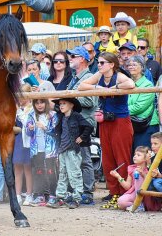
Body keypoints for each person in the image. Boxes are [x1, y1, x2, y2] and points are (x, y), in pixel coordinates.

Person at [78, 52, 135, 207]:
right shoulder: (99, 75)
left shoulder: (119, 76)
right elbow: (81, 85)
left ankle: (125, 192)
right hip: (105, 121)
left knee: (121, 156)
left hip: (120, 121)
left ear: (112, 64)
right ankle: (113, 192)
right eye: (99, 62)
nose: (99, 65)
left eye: (103, 63)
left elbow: (131, 84)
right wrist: (98, 87)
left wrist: (113, 88)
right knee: (108, 157)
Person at [66, 46, 98, 204]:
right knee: (74, 159)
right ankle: (77, 190)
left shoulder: (89, 77)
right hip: (73, 124)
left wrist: (70, 99)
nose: (70, 58)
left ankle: (87, 192)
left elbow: (90, 101)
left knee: (84, 159)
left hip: (84, 124)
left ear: (83, 59)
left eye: (73, 55)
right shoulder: (74, 77)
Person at [48, 98, 93, 209]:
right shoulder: (61, 117)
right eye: (60, 104)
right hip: (63, 149)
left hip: (73, 150)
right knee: (62, 174)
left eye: (64, 103)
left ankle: (77, 198)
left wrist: (82, 137)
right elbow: (57, 132)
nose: (61, 106)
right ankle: (60, 198)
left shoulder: (76, 116)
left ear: (71, 105)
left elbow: (89, 126)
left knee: (74, 174)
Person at [26, 99, 58, 207]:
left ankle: (53, 195)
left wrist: (45, 128)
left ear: (46, 103)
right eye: (37, 103)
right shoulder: (31, 114)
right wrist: (30, 128)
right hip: (36, 149)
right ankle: (40, 195)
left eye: (42, 102)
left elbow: (56, 131)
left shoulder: (52, 114)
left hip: (49, 149)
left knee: (50, 172)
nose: (39, 105)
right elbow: (28, 132)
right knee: (38, 171)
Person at [127, 56, 159, 150]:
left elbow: (139, 107)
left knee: (144, 156)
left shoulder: (147, 85)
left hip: (147, 126)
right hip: (132, 125)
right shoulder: (128, 83)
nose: (131, 67)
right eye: (129, 65)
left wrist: (121, 110)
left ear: (142, 67)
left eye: (134, 64)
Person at [111, 146, 149, 211]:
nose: (135, 156)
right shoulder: (132, 168)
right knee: (121, 201)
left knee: (137, 171)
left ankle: (139, 204)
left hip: (146, 194)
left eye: (138, 155)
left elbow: (149, 182)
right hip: (134, 193)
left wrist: (142, 173)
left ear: (145, 158)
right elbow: (127, 186)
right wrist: (118, 176)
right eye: (135, 154)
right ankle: (137, 205)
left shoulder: (149, 168)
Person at [13, 87, 33, 206]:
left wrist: (18, 111)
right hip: (18, 140)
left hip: (28, 141)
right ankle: (17, 195)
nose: (19, 98)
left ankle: (29, 194)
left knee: (28, 168)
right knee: (17, 168)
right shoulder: (17, 109)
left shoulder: (31, 110)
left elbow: (26, 123)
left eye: (22, 95)